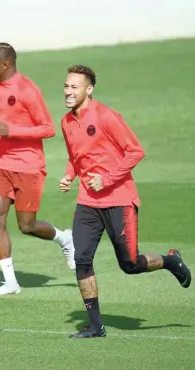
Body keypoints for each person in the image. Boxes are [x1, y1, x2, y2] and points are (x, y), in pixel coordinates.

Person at [59, 64, 192, 338]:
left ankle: (171, 261)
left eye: (74, 87)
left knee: (130, 264)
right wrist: (69, 175)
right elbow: (76, 156)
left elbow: (135, 152)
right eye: (66, 86)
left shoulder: (107, 117)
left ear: (89, 89)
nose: (68, 92)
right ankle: (96, 326)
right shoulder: (66, 122)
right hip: (88, 203)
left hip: (120, 200)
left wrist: (106, 178)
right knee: (82, 259)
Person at [0, 42, 75, 296]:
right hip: (1, 163)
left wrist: (11, 131)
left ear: (6, 64)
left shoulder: (27, 89)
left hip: (29, 166)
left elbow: (48, 128)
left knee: (27, 225)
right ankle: (10, 282)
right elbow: (0, 122)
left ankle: (64, 238)